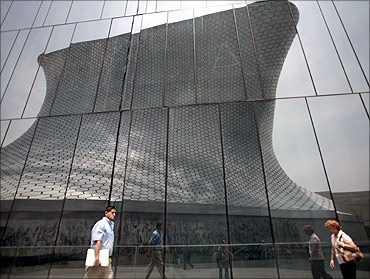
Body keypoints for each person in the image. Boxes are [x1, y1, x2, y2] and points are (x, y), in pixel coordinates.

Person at [84, 205, 116, 279]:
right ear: (106, 213)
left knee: (109, 276)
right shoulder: (101, 224)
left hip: (107, 258)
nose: (114, 215)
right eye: (112, 213)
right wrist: (97, 258)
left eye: (115, 213)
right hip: (99, 258)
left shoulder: (111, 225)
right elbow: (97, 242)